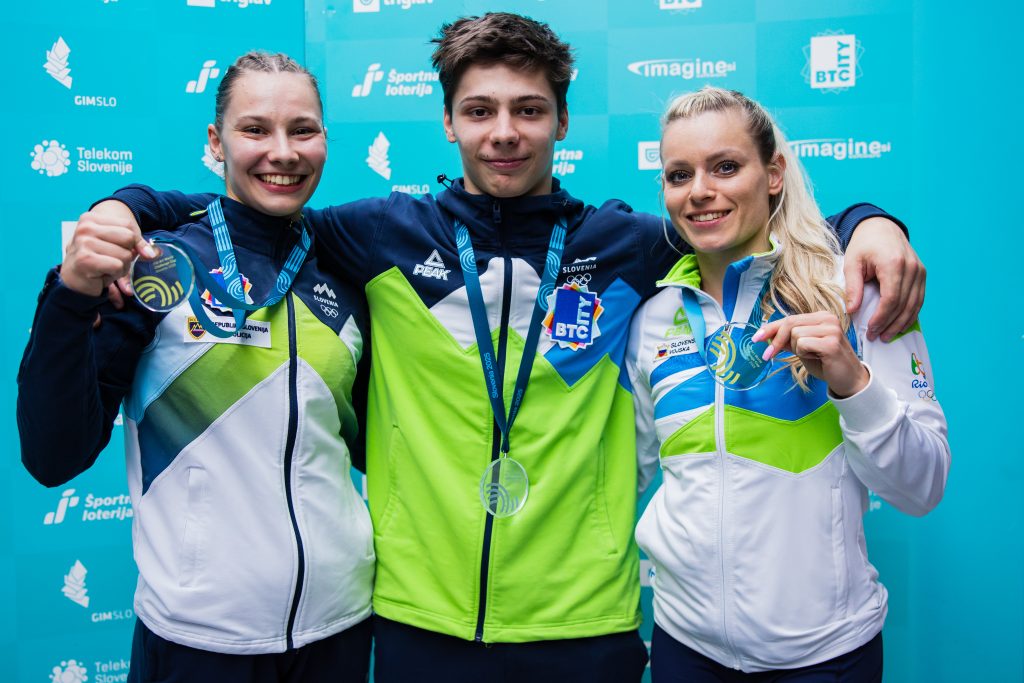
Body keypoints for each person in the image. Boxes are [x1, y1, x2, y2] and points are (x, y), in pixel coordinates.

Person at [87, 13, 925, 681]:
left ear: (562, 120)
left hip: (584, 619)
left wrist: (869, 222)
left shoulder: (626, 243)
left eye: (528, 110)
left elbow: (741, 220)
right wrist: (130, 204)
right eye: (480, 111)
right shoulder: (379, 235)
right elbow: (250, 205)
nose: (505, 132)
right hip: (419, 616)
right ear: (448, 121)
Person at [17, 52, 374, 683]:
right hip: (197, 639)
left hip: (341, 626)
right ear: (216, 141)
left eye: (303, 130)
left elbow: (371, 442)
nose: (283, 152)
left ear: (324, 139)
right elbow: (55, 456)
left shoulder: (345, 265)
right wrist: (71, 297)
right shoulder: (159, 263)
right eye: (255, 129)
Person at [626, 87, 950, 681]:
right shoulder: (652, 317)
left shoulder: (855, 292)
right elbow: (626, 474)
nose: (700, 191)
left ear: (773, 174)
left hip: (824, 657)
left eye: (726, 167)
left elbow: (922, 486)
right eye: (679, 174)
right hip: (682, 646)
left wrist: (853, 384)